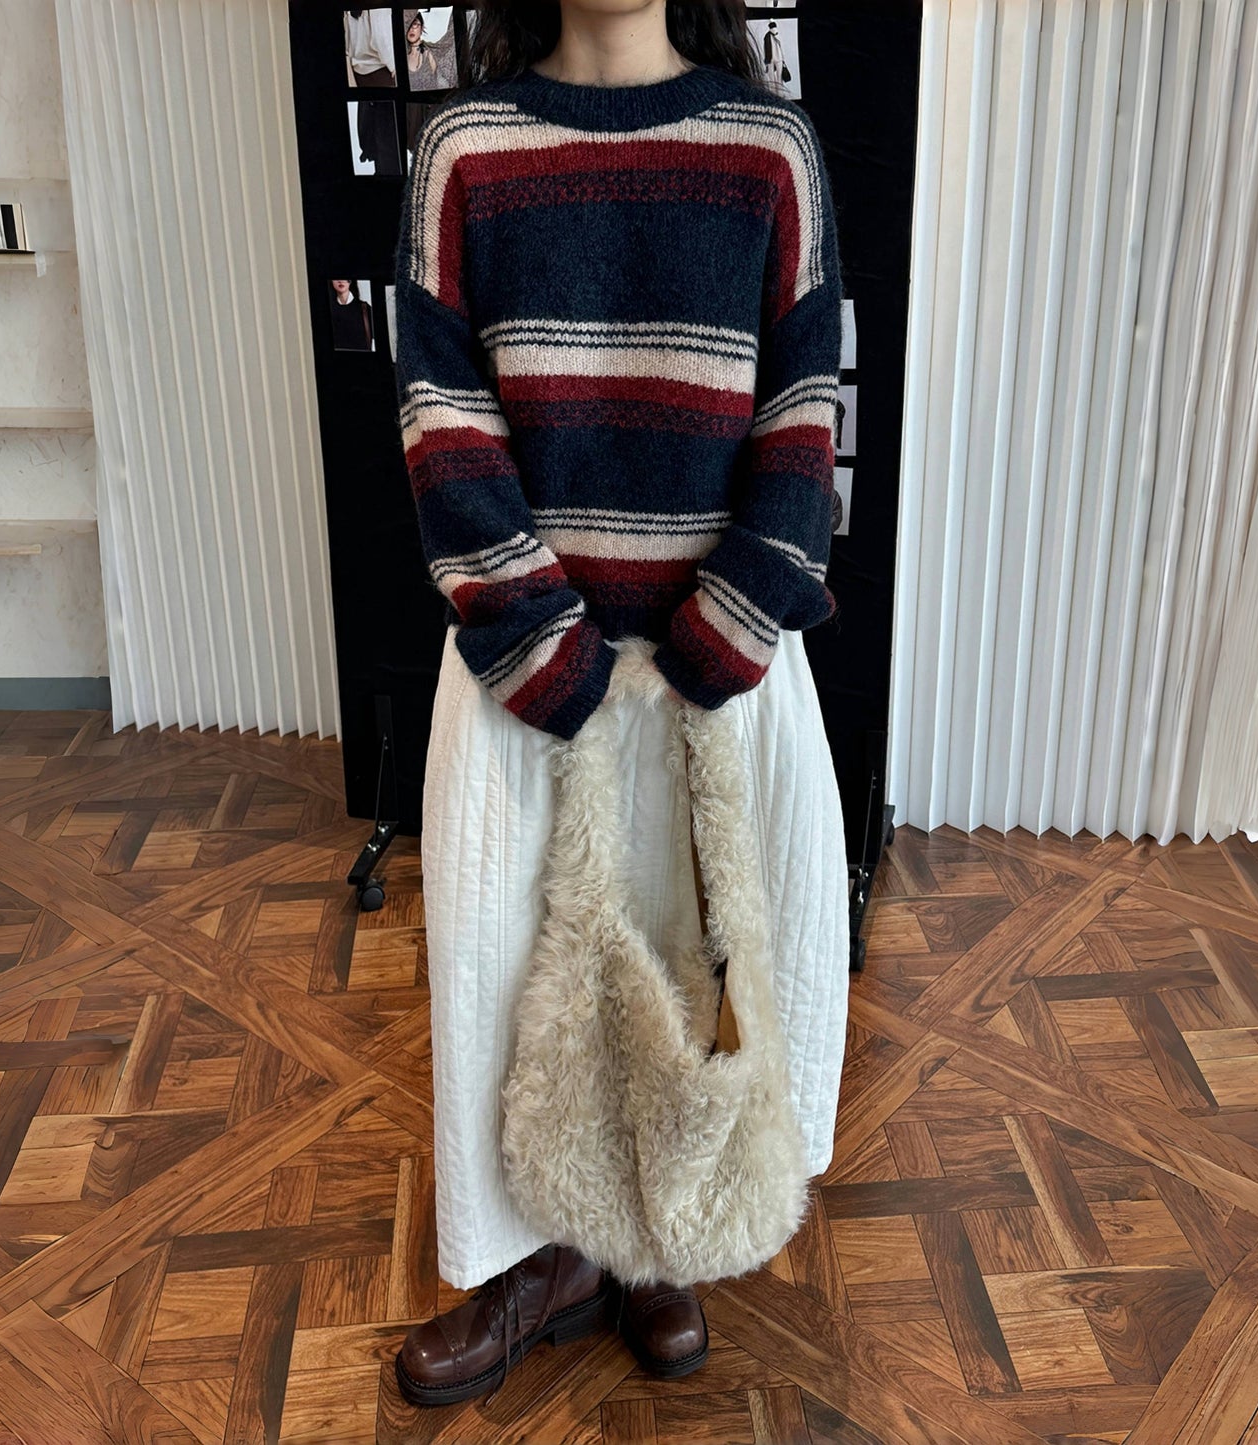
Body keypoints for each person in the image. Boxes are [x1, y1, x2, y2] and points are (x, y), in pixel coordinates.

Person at [390, 0, 851, 1409]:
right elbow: (440, 415)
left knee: (691, 962)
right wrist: (546, 646)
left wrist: (730, 624)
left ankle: (657, 1236)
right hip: (523, 682)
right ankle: (532, 1258)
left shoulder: (767, 148)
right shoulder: (466, 148)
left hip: (719, 677)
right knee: (496, 975)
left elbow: (806, 406)